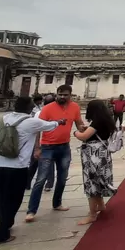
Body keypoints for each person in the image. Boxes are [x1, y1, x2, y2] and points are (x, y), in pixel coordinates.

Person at [0, 96, 65, 244]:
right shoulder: (31, 122)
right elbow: (50, 125)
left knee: (1, 198)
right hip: (17, 168)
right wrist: (60, 122)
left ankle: (6, 225)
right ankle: (1, 233)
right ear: (28, 107)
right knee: (14, 199)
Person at [25, 85, 86, 223]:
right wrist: (37, 148)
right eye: (60, 94)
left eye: (65, 95)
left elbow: (79, 124)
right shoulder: (47, 108)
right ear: (56, 94)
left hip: (64, 147)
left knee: (62, 178)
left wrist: (87, 129)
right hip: (47, 147)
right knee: (41, 179)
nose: (62, 97)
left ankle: (57, 203)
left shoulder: (75, 107)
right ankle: (31, 210)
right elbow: (37, 128)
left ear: (71, 95)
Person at [72, 99, 118, 226]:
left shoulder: (97, 122)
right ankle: (101, 205)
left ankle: (92, 214)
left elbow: (84, 136)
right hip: (102, 154)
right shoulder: (105, 120)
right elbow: (94, 132)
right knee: (99, 180)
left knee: (91, 182)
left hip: (93, 155)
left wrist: (75, 132)